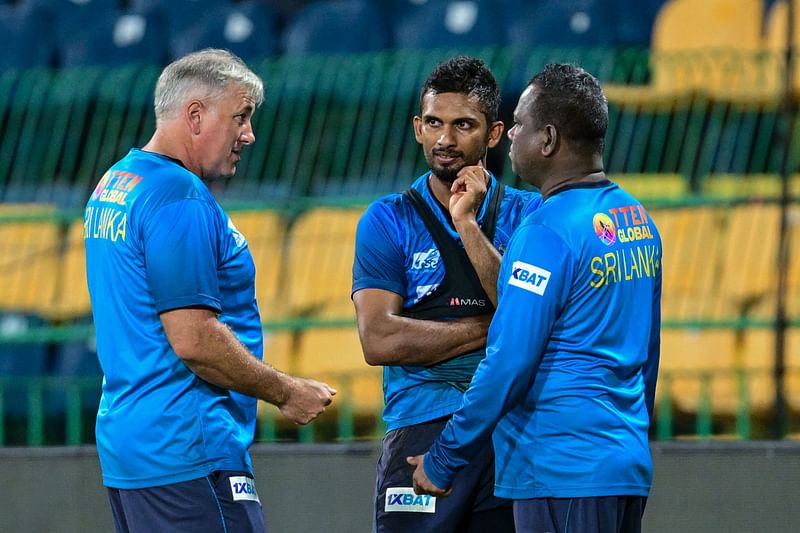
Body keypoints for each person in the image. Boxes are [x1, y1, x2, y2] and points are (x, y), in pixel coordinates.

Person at [83, 49, 336, 533]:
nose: (249, 134)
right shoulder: (179, 196)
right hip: (187, 444)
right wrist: (286, 392)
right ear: (195, 115)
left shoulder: (116, 182)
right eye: (240, 116)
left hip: (132, 444)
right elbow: (194, 339)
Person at [408, 63, 662, 533]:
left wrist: (444, 459)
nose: (510, 137)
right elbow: (648, 356)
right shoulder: (637, 220)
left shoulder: (545, 230)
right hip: (623, 465)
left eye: (519, 124)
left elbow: (509, 362)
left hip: (560, 467)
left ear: (547, 139)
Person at [352, 56, 539, 532]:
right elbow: (379, 340)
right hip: (421, 425)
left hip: (509, 430)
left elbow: (534, 321)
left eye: (463, 125)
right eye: (434, 123)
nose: (446, 140)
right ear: (417, 127)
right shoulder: (386, 219)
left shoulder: (529, 213)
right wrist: (497, 329)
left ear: (494, 134)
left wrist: (467, 225)